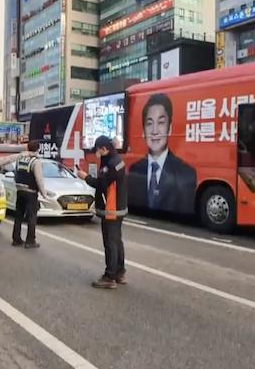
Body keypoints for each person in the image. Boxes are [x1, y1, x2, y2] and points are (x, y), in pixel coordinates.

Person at [128, 93, 197, 213]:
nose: (155, 131)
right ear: (143, 131)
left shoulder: (186, 173)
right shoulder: (135, 170)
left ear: (169, 128)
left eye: (161, 123)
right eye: (149, 124)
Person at [77, 136, 128, 289]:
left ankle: (110, 276)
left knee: (110, 242)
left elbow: (101, 184)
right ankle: (119, 272)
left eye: (97, 150)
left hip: (111, 207)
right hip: (117, 206)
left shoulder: (111, 164)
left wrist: (85, 177)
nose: (96, 153)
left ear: (104, 149)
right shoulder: (116, 159)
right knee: (117, 241)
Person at [12, 140, 48, 248]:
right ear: (38, 149)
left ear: (27, 148)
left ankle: (16, 239)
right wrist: (44, 193)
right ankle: (30, 240)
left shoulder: (20, 159)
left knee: (18, 215)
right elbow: (39, 179)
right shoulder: (35, 162)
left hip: (20, 190)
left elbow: (15, 174)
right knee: (32, 217)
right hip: (31, 192)